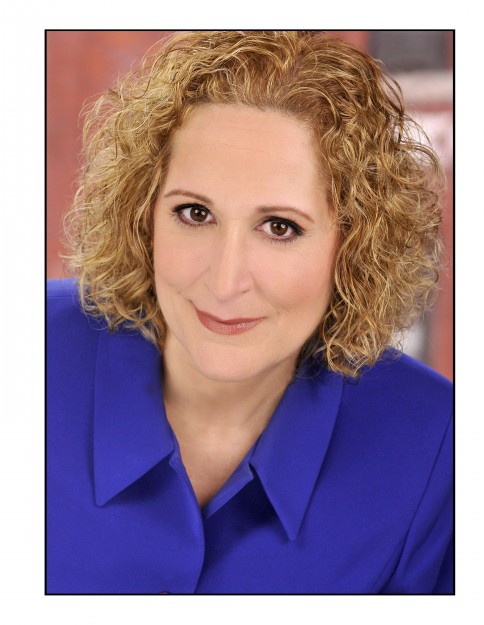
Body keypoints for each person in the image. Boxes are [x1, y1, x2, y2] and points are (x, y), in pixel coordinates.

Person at [47, 30, 453, 594]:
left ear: (354, 247)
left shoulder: (441, 447)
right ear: (143, 214)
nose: (225, 281)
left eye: (280, 227)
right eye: (195, 213)